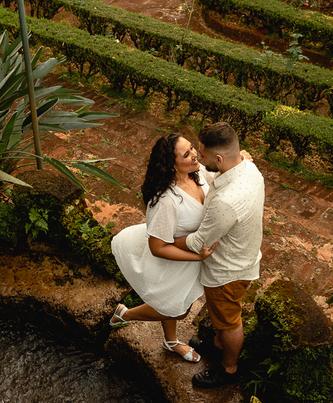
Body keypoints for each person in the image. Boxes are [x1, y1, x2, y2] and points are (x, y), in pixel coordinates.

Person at [108, 133, 218, 362]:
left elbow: (219, 170)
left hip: (191, 254)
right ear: (171, 165)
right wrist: (197, 258)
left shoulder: (196, 173)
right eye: (186, 154)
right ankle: (126, 314)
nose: (195, 155)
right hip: (174, 260)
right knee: (179, 310)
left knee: (173, 301)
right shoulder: (166, 200)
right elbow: (158, 246)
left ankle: (170, 341)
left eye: (192, 148)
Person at [175, 122, 265, 388]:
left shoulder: (226, 201)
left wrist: (167, 240)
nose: (198, 159)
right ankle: (217, 342)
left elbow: (200, 242)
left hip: (227, 272)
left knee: (229, 322)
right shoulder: (249, 167)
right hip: (243, 258)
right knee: (222, 316)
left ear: (218, 159)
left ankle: (228, 368)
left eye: (201, 155)